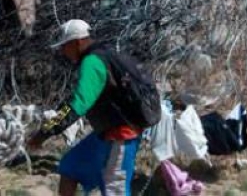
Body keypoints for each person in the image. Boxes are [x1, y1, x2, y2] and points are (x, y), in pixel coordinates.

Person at [28, 20, 154, 196]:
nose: (63, 51)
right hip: (106, 134)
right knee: (70, 167)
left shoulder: (92, 62)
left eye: (65, 46)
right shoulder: (105, 54)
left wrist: (45, 132)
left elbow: (77, 104)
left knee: (114, 190)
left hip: (120, 136)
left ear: (77, 42)